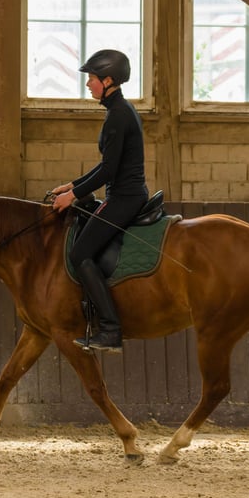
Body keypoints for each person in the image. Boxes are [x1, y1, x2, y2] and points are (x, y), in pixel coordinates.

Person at [51, 49, 149, 352]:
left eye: (92, 79)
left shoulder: (118, 115)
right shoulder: (118, 110)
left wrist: (73, 196)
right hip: (123, 193)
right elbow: (108, 164)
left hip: (124, 198)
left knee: (80, 254)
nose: (88, 84)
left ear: (108, 80)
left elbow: (109, 171)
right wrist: (73, 184)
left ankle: (110, 329)